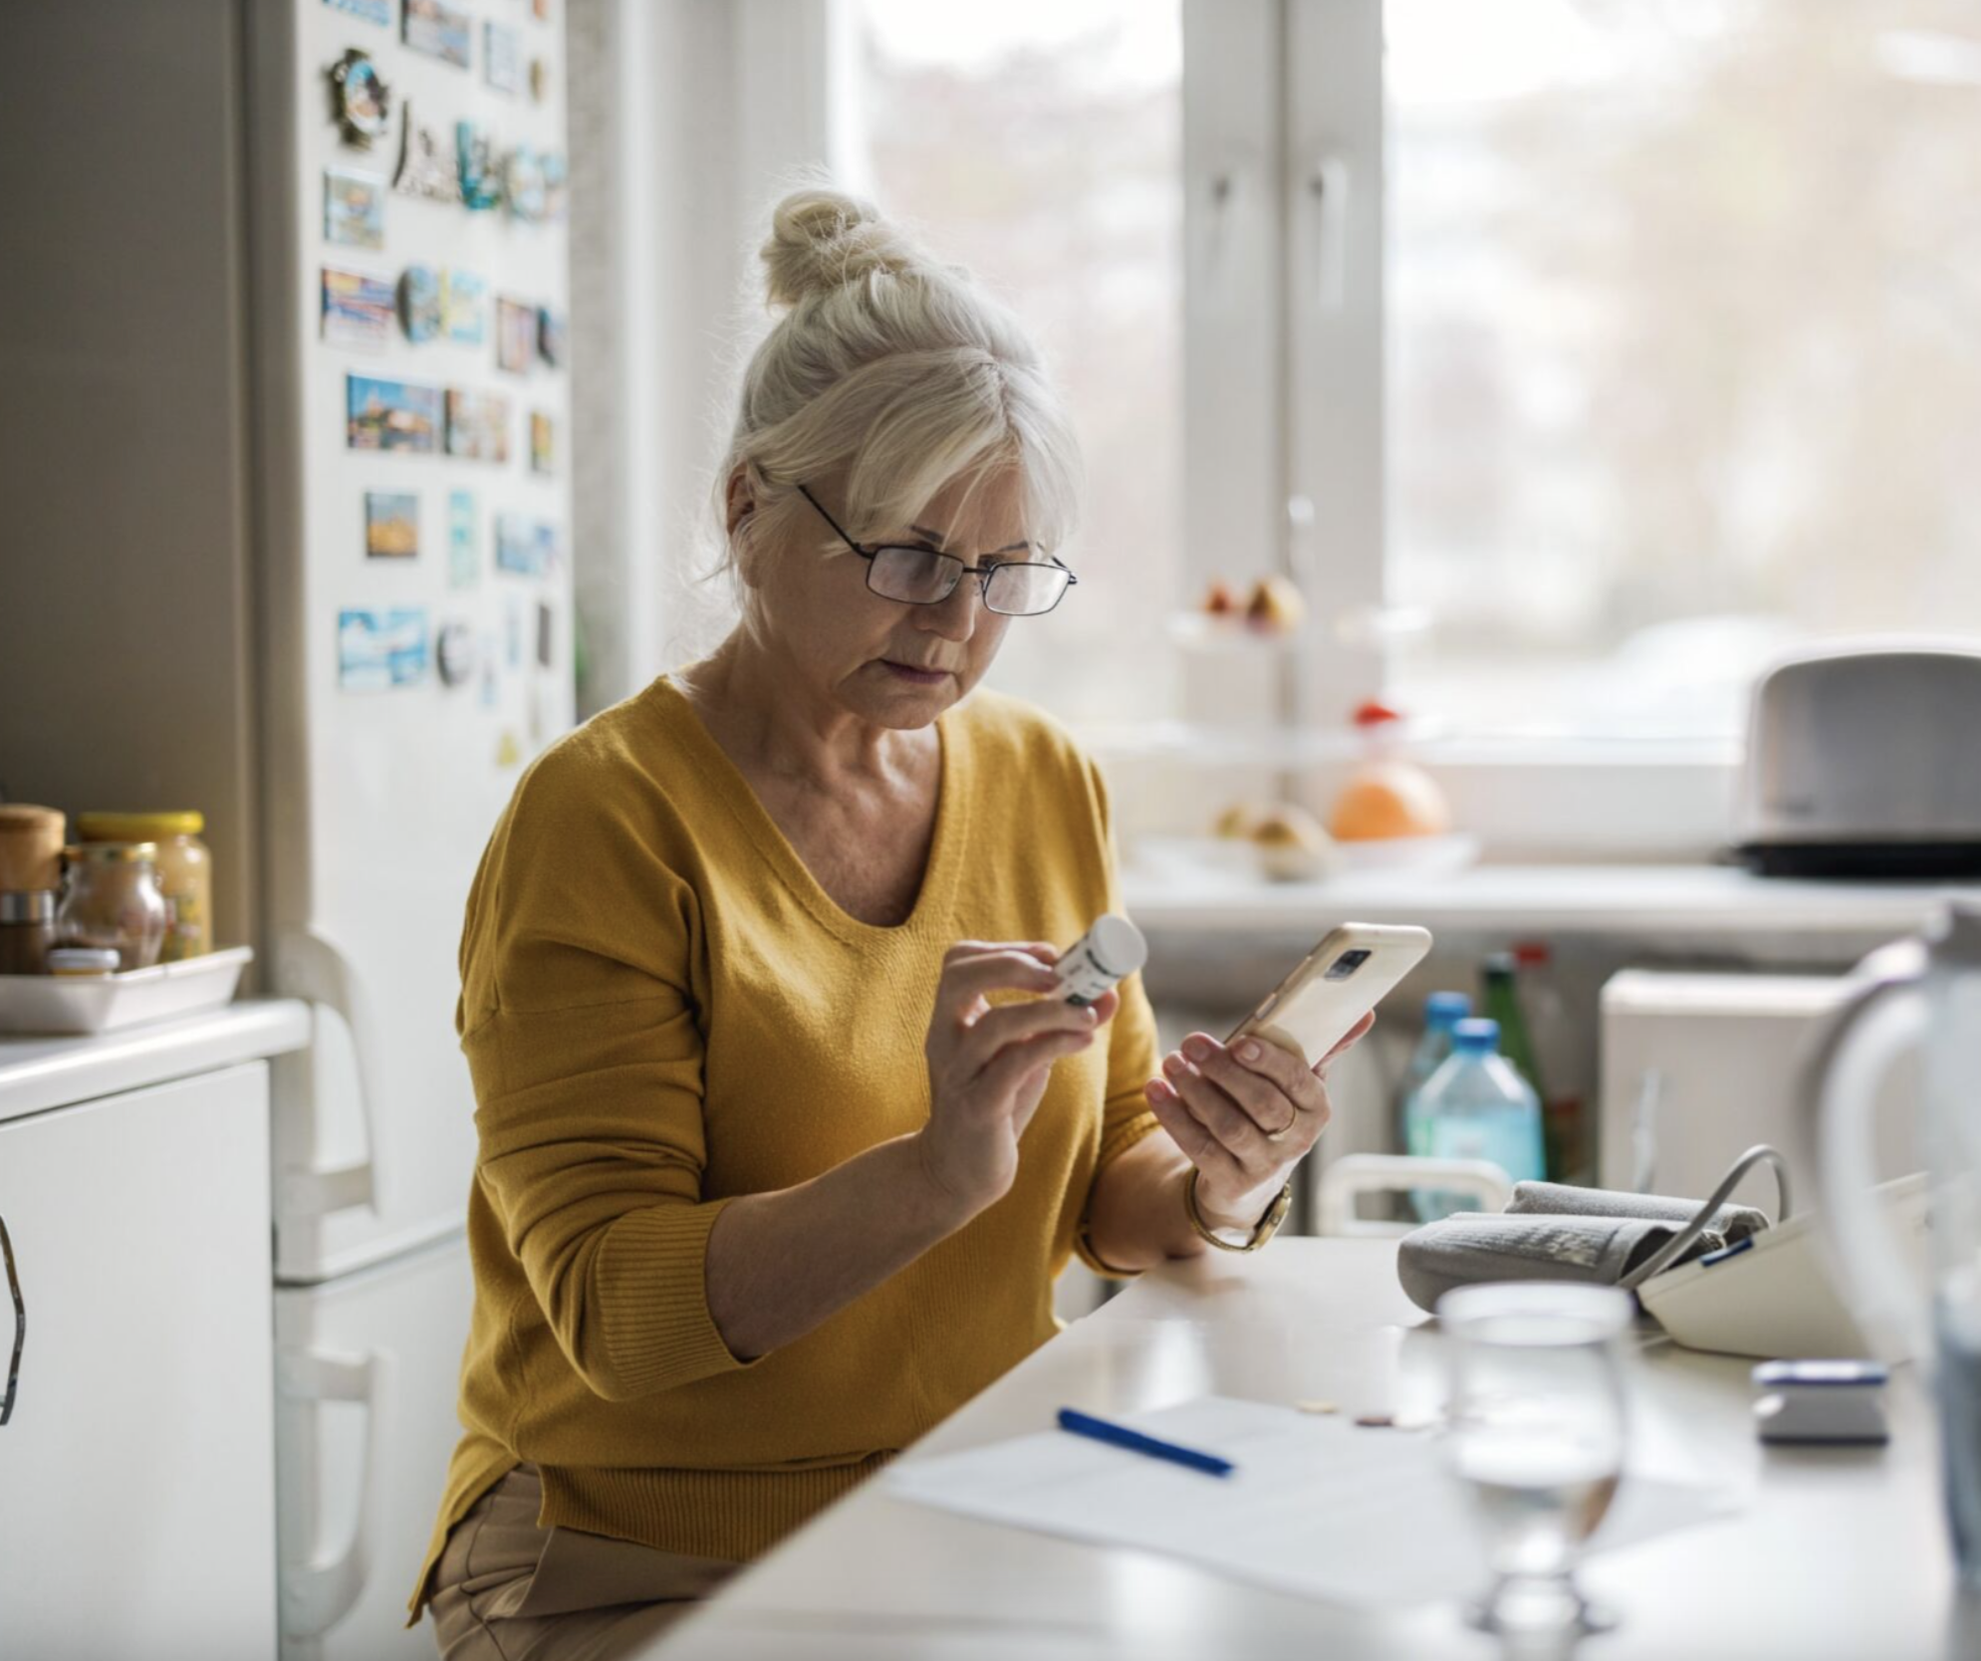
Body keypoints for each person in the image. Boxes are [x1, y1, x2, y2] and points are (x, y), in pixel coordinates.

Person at [412, 187, 1373, 1660]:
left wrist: (1220, 1180)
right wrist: (932, 1176)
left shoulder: (1047, 779)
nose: (954, 622)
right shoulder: (602, 820)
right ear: (748, 509)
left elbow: (1110, 1188)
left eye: (1002, 574)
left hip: (969, 1509)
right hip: (633, 1553)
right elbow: (613, 1314)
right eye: (908, 556)